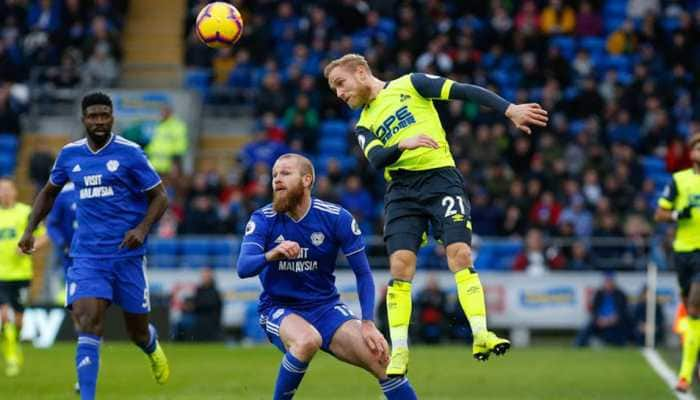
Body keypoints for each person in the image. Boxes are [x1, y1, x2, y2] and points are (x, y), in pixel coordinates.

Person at [324, 53, 548, 375]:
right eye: (334, 89)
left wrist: (509, 109)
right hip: (402, 191)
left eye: (340, 84)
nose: (339, 93)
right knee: (400, 265)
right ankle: (399, 350)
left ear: (361, 72)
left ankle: (481, 333)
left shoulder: (411, 84)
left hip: (441, 178)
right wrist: (404, 143)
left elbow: (463, 90)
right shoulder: (363, 124)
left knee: (459, 253)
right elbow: (376, 159)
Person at [17, 92, 170, 400]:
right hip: (87, 255)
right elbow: (48, 193)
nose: (99, 121)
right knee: (89, 322)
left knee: (136, 332)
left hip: (127, 256)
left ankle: (151, 346)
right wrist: (30, 229)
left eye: (104, 115)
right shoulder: (70, 155)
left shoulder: (130, 153)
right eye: (93, 116)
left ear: (112, 117)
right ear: (83, 119)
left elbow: (160, 197)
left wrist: (141, 228)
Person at [237, 153, 418, 399]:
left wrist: (367, 322)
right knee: (307, 340)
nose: (277, 180)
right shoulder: (263, 219)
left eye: (286, 173)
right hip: (279, 307)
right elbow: (244, 267)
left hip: (325, 307)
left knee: (382, 358)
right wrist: (273, 254)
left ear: (307, 180)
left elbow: (363, 273)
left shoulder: (336, 218)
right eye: (275, 175)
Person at [655, 133, 700, 392]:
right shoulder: (679, 180)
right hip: (682, 253)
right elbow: (659, 213)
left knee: (694, 307)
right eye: (697, 147)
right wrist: (676, 214)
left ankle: (684, 375)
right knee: (692, 314)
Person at [0, 178, 48, 376]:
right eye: (1, 190)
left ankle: (14, 343)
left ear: (14, 192)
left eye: (7, 189)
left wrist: (31, 247)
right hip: (0, 275)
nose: (4, 193)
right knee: (3, 315)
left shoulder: (25, 212)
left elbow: (45, 235)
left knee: (19, 320)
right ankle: (11, 357)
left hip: (20, 274)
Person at [574, 272, 631, 347]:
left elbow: (622, 311)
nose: (608, 284)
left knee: (619, 329)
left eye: (610, 281)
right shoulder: (599, 293)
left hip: (615, 321)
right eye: (607, 281)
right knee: (588, 325)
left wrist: (611, 319)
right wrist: (599, 319)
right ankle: (578, 344)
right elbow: (594, 309)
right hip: (600, 320)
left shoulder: (620, 294)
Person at [145, 105, 188, 174]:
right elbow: (154, 144)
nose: (162, 114)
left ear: (170, 113)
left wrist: (176, 163)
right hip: (154, 165)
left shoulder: (177, 126)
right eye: (161, 112)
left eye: (164, 112)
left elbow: (180, 146)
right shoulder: (159, 125)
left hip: (168, 167)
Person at [192, 267, 222, 341]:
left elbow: (215, 306)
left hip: (211, 320)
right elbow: (196, 304)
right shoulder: (199, 290)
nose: (205, 278)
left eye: (207, 276)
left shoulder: (215, 291)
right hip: (200, 319)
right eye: (204, 276)